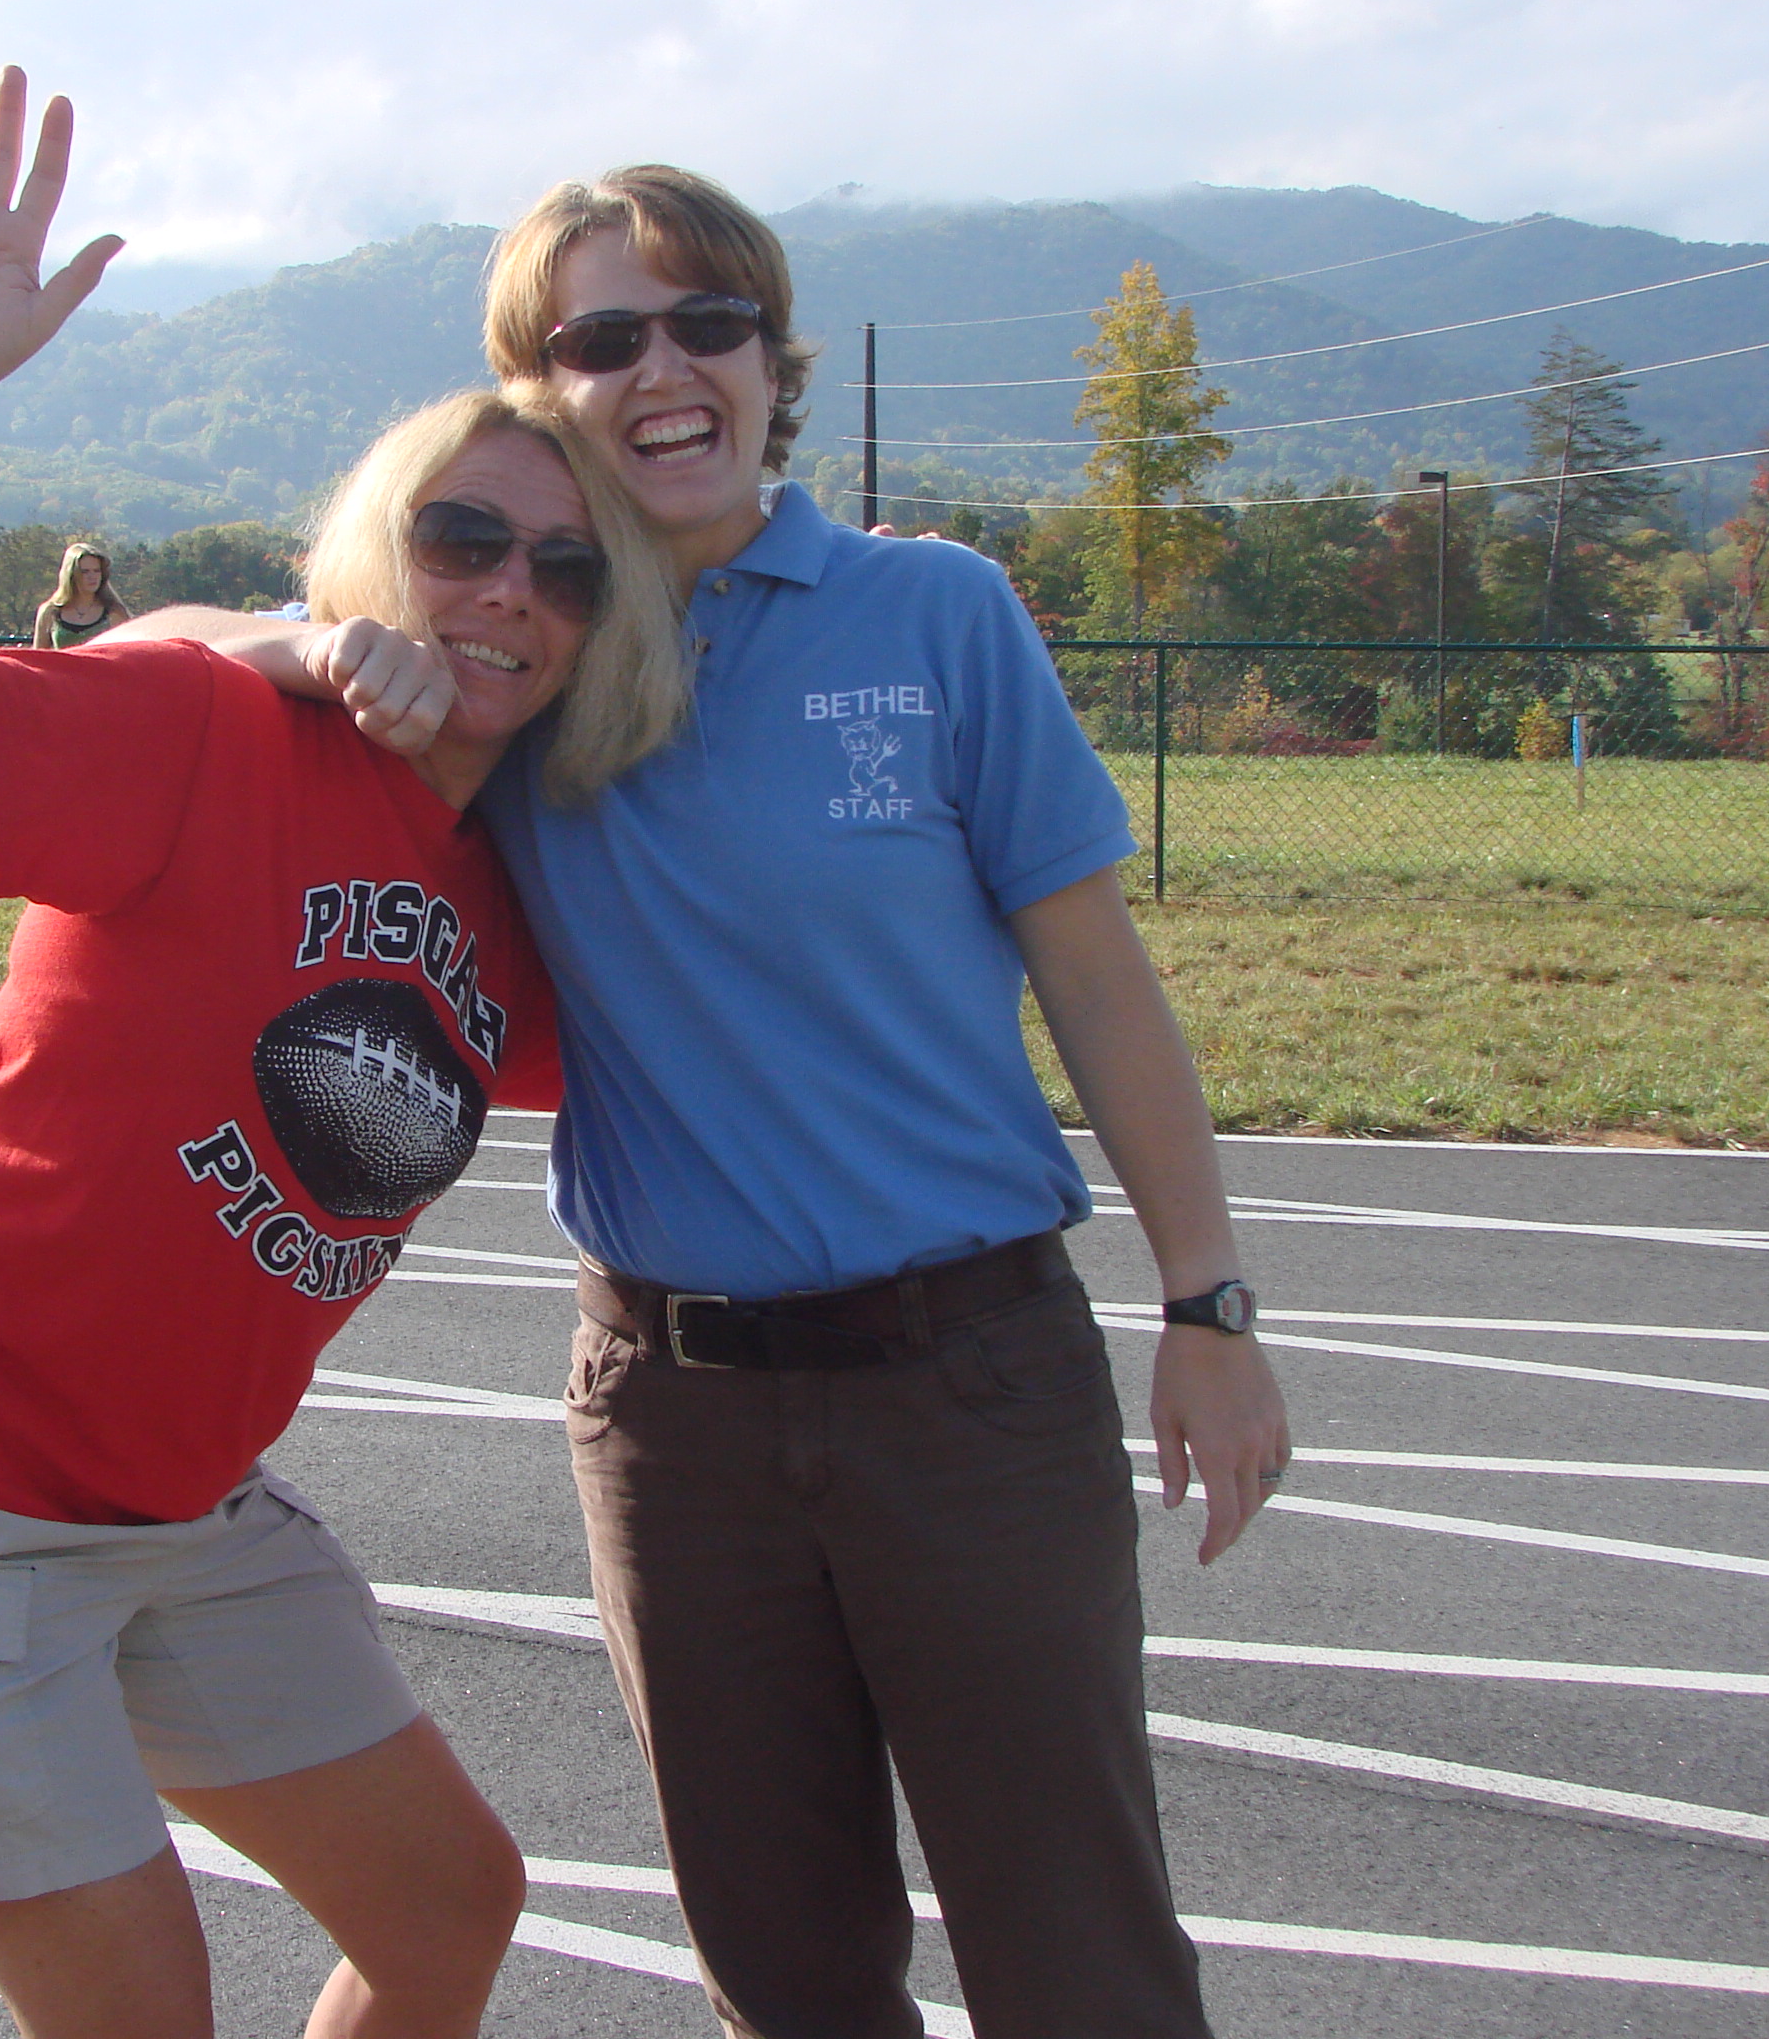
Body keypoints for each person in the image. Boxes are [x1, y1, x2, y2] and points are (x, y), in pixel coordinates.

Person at [185, 167, 1291, 2039]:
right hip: (671, 1416)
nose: (664, 368)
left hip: (967, 1383)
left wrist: (1211, 1304)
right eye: (602, 336)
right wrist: (308, 644)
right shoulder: (519, 653)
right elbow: (161, 655)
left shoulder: (933, 612)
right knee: (783, 1972)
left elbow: (1099, 979)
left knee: (1077, 1958)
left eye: (708, 322)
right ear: (540, 388)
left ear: (775, 360)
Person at [0, 68, 683, 2039]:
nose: (510, 591)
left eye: (570, 566)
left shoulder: (519, 893)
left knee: (445, 1909)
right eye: (464, 537)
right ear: (377, 548)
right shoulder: (212, 731)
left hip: (173, 1497)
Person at [33, 541, 134, 648]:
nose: (92, 577)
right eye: (85, 572)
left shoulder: (115, 612)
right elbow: (38, 654)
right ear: (71, 575)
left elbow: (128, 652)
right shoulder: (50, 612)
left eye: (96, 571)